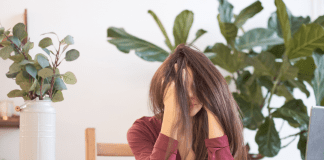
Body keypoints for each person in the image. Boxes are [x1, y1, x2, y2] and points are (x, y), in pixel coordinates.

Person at [127, 43, 247, 160]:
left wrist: (214, 109)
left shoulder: (218, 126)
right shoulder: (143, 130)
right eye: (181, 88)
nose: (190, 95)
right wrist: (170, 113)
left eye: (196, 86)